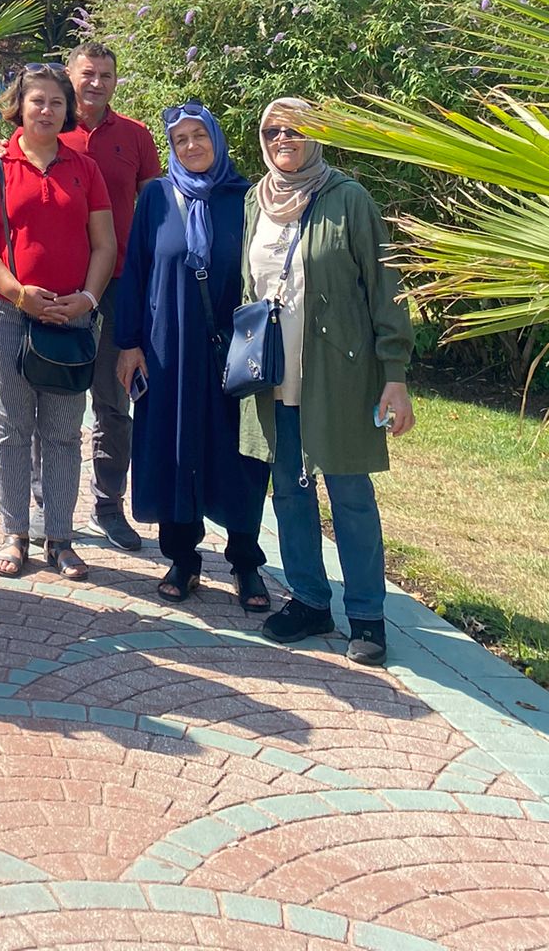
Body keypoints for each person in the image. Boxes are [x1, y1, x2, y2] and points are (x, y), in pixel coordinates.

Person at [241, 98, 416, 667]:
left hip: (339, 376)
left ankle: (366, 616)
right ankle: (311, 601)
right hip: (275, 378)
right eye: (273, 130)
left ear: (316, 135)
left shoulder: (348, 199)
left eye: (295, 129)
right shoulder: (255, 201)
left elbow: (386, 289)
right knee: (290, 493)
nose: (283, 139)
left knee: (350, 496)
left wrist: (394, 375)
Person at [113, 103, 269, 607]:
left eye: (199, 135)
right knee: (175, 446)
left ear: (216, 140)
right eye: (180, 140)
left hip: (233, 349)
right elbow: (135, 272)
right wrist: (128, 344)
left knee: (239, 453)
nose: (191, 146)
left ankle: (246, 561)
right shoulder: (157, 197)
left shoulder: (246, 198)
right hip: (168, 348)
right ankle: (183, 558)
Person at [0, 63, 116, 582]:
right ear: (20, 106)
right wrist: (18, 294)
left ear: (67, 109)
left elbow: (105, 244)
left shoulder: (85, 168)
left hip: (71, 317)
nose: (47, 110)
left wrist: (87, 299)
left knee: (62, 432)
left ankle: (60, 537)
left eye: (56, 102)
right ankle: (15, 533)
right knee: (11, 427)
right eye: (38, 101)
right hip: (8, 313)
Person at [61, 43, 163, 554]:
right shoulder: (48, 128)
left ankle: (108, 505)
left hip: (121, 284)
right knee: (53, 399)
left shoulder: (136, 135)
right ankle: (48, 506)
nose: (96, 83)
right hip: (60, 284)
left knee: (113, 401)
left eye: (105, 75)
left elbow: (157, 209)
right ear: (69, 75)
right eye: (88, 73)